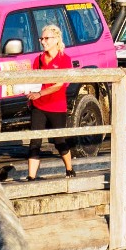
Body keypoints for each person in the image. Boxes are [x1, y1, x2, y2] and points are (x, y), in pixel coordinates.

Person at [26, 21, 78, 181]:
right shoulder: (38, 60)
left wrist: (40, 93)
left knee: (59, 140)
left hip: (56, 106)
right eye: (41, 39)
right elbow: (32, 80)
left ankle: (69, 169)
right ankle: (31, 177)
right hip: (38, 105)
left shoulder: (64, 59)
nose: (43, 42)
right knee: (35, 141)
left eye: (47, 38)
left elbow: (59, 85)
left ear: (56, 39)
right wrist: (28, 91)